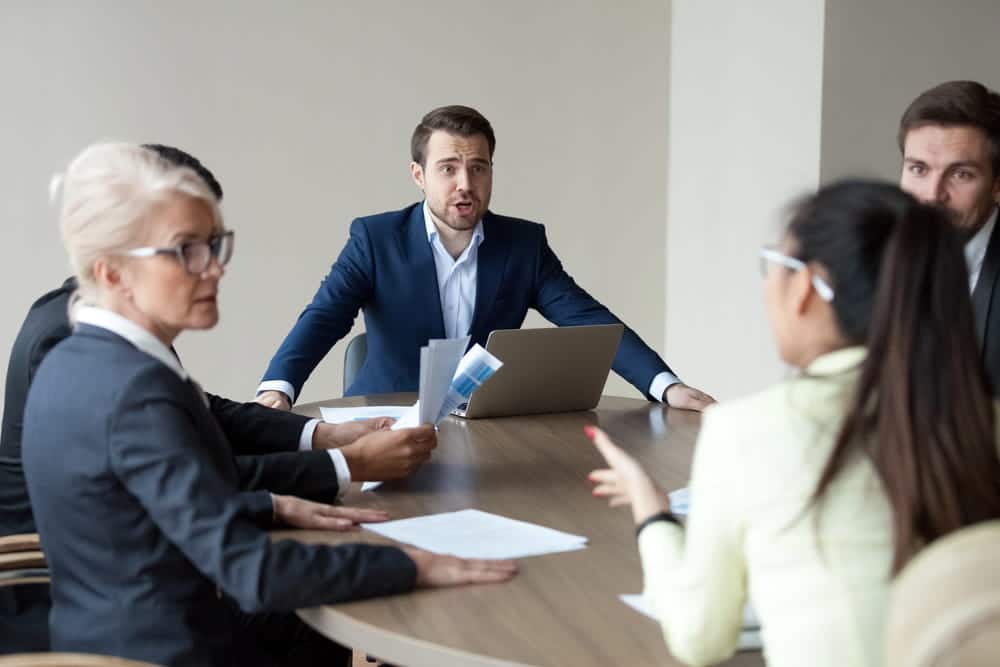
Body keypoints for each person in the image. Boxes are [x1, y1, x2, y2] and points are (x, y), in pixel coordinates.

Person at [21, 142, 516, 666]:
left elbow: (142, 506)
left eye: (215, 245)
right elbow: (249, 572)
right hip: (174, 648)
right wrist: (412, 565)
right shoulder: (134, 393)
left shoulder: (76, 359)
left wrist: (270, 504)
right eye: (186, 249)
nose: (213, 268)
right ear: (112, 272)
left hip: (100, 633)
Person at [585, 181, 1000, 667]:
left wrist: (652, 513)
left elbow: (701, 639)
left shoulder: (745, 430)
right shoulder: (980, 420)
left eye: (773, 266)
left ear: (804, 288)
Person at [256, 105, 714, 412]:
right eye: (448, 168)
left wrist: (665, 386)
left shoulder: (523, 245)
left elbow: (589, 320)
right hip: (384, 424)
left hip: (485, 429)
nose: (465, 183)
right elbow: (324, 317)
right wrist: (277, 388)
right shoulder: (375, 239)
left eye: (478, 167)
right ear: (418, 175)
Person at [897, 80, 1000, 392]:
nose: (932, 194)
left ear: (997, 185)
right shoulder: (871, 258)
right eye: (919, 169)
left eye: (960, 174)